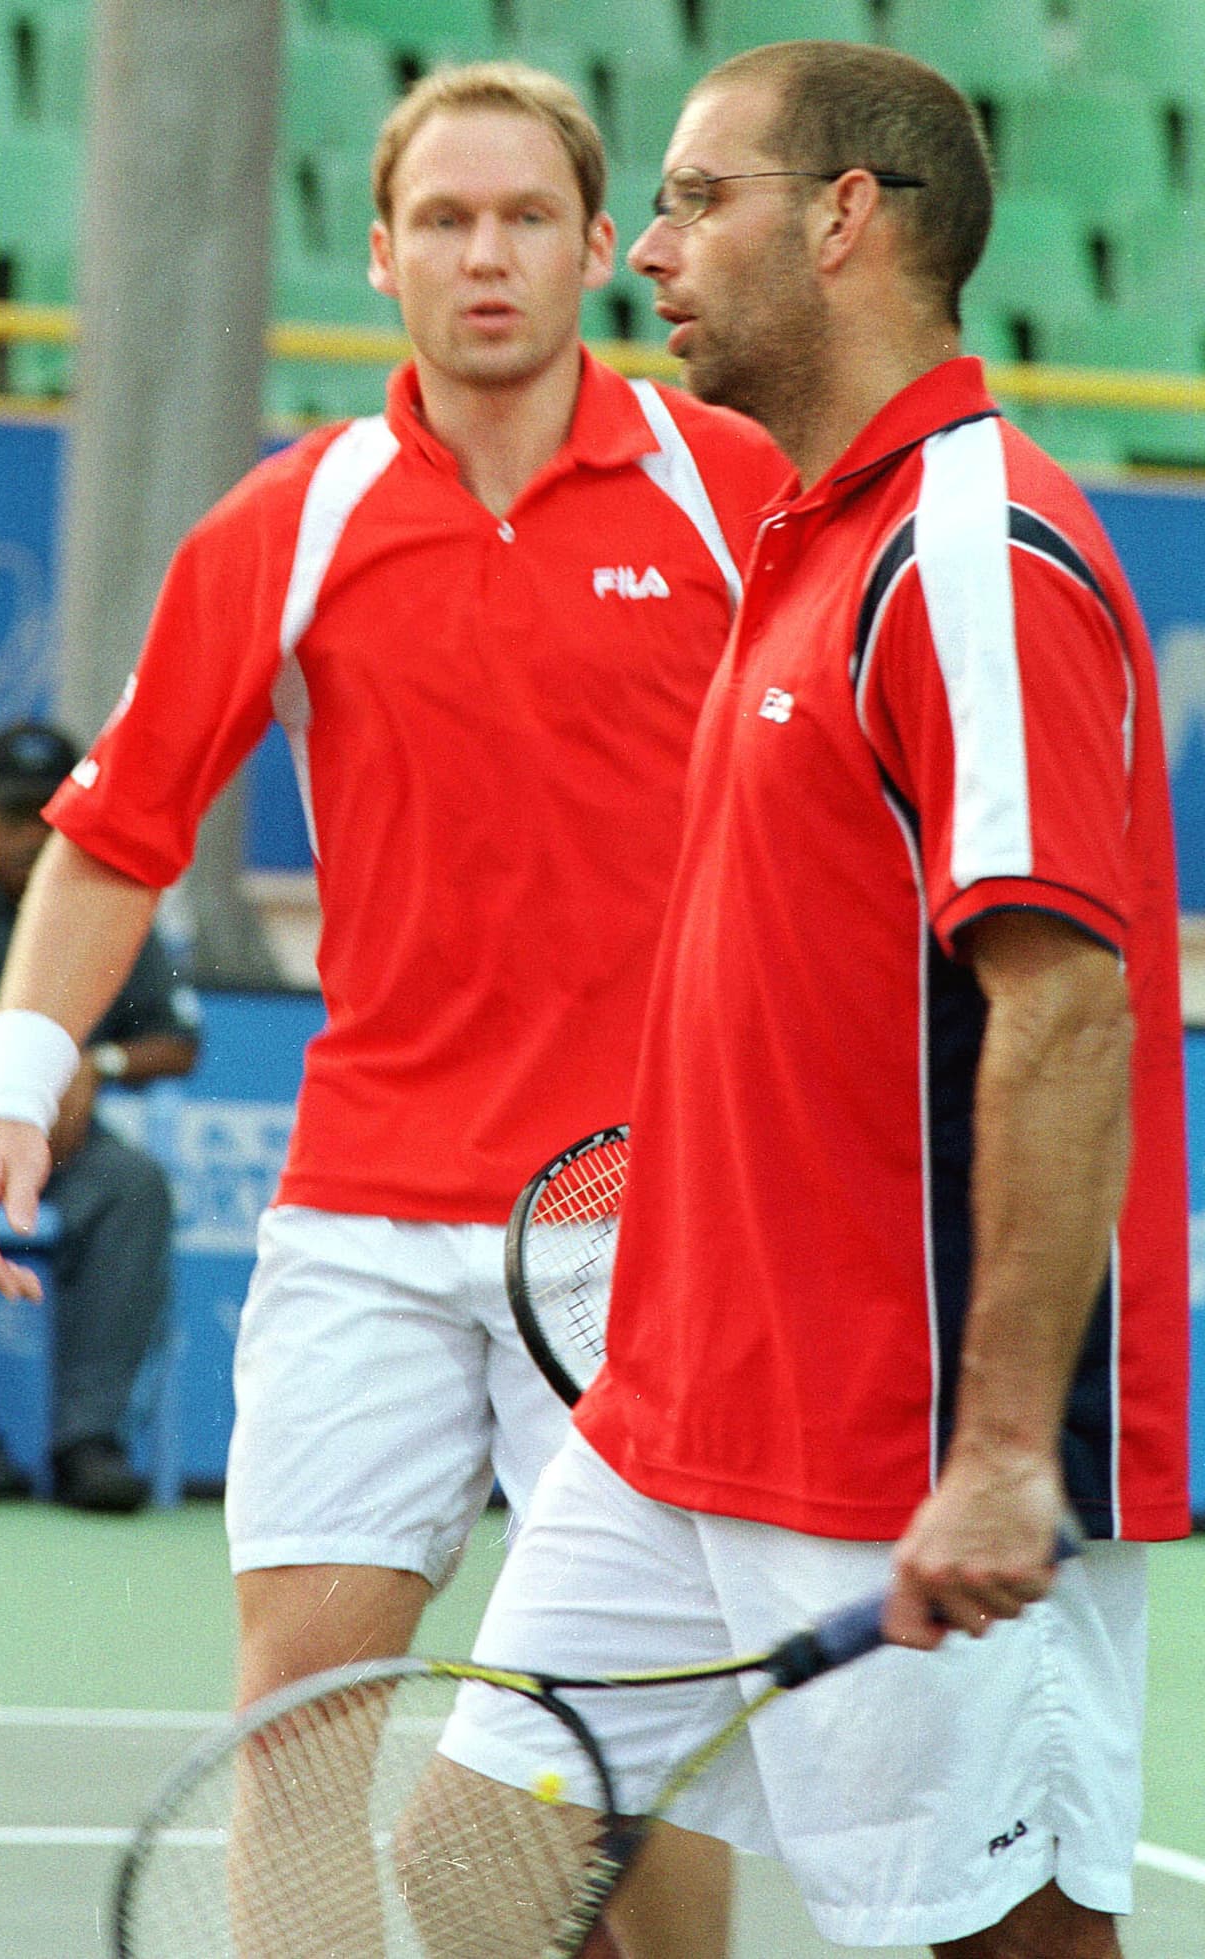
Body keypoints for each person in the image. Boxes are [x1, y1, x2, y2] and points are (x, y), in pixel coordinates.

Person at [0, 60, 782, 1936]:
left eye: (528, 219)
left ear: (594, 249)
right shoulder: (292, 518)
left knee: (616, 1750)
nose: (489, 257)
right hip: (366, 1214)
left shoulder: (735, 494)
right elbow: (115, 830)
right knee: (302, 1717)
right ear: (383, 255)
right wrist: (13, 1087)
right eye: (448, 222)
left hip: (651, 1219)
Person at [429, 40, 1191, 1959]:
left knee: (998, 1935)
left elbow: (1072, 1003)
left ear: (848, 217)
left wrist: (1006, 1445)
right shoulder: (806, 532)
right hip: (684, 1401)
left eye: (699, 201)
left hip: (900, 1420)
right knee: (481, 1853)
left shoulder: (967, 555)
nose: (650, 252)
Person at [0, 721, 200, 1510]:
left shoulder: (103, 896)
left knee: (134, 1186)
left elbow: (177, 1040)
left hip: (63, 1136)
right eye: (15, 817)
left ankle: (90, 1441)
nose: (33, 837)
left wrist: (97, 1061)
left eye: (51, 817)